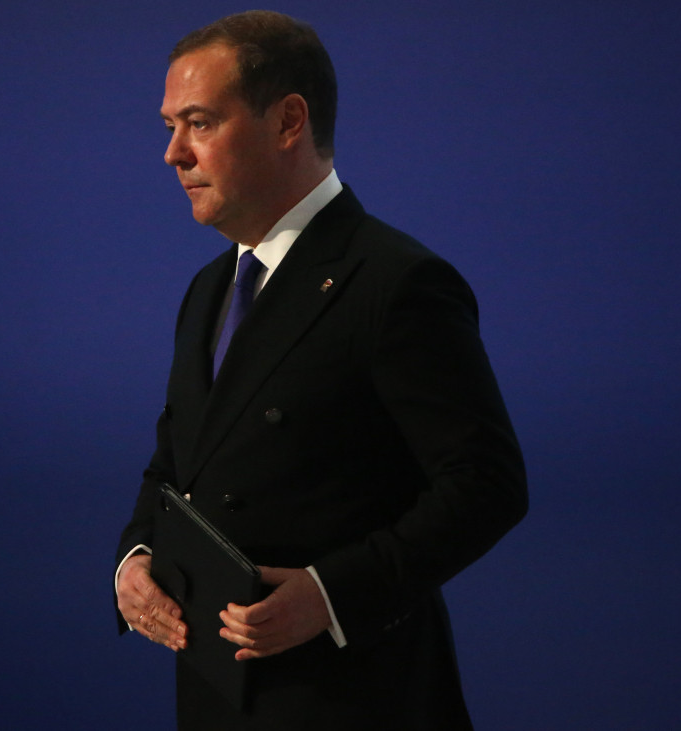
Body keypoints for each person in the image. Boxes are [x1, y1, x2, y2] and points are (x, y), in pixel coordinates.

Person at [114, 10, 527, 729]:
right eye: (170, 126)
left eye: (200, 123)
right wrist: (135, 560)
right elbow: (175, 463)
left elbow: (488, 484)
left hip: (356, 698)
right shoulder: (209, 289)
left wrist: (330, 594)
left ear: (288, 121)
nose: (173, 153)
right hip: (219, 698)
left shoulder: (396, 282)